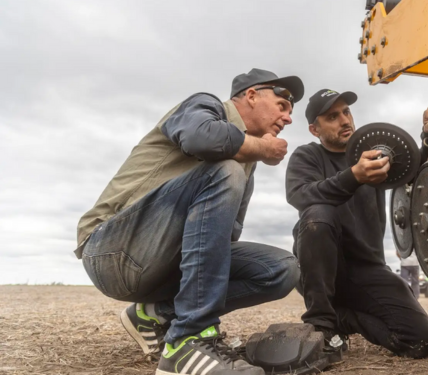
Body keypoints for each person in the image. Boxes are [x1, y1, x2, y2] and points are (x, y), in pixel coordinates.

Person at [75, 69, 305, 375]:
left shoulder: (245, 164)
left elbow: (226, 235)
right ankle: (188, 341)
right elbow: (202, 138)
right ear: (251, 95)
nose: (288, 118)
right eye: (282, 105)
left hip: (162, 264)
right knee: (226, 169)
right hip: (111, 251)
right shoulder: (205, 107)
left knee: (282, 270)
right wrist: (262, 149)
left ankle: (155, 314)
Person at [285, 89, 428, 360]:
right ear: (315, 129)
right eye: (332, 116)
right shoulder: (307, 156)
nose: (345, 120)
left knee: (420, 340)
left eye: (346, 112)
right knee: (317, 214)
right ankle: (321, 324)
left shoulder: (374, 157)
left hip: (367, 269)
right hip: (322, 269)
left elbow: (418, 176)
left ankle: (342, 321)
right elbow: (300, 195)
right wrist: (353, 177)